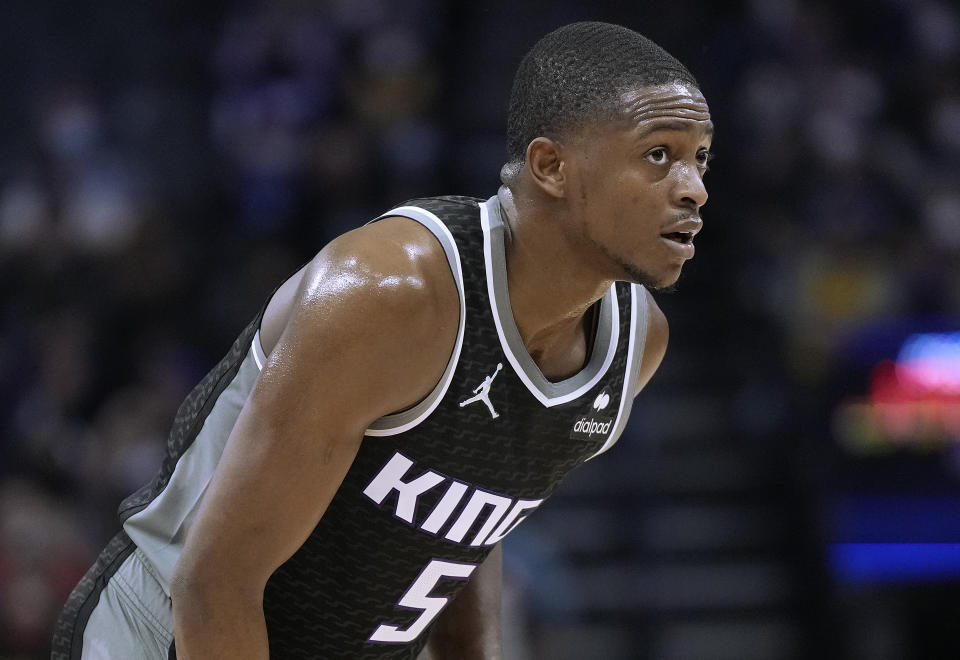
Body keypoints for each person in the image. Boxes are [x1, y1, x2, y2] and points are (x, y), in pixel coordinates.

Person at [52, 20, 712, 660]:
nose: (694, 189)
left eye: (699, 158)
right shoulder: (390, 293)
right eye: (659, 155)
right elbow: (213, 582)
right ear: (551, 166)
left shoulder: (635, 344)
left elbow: (465, 520)